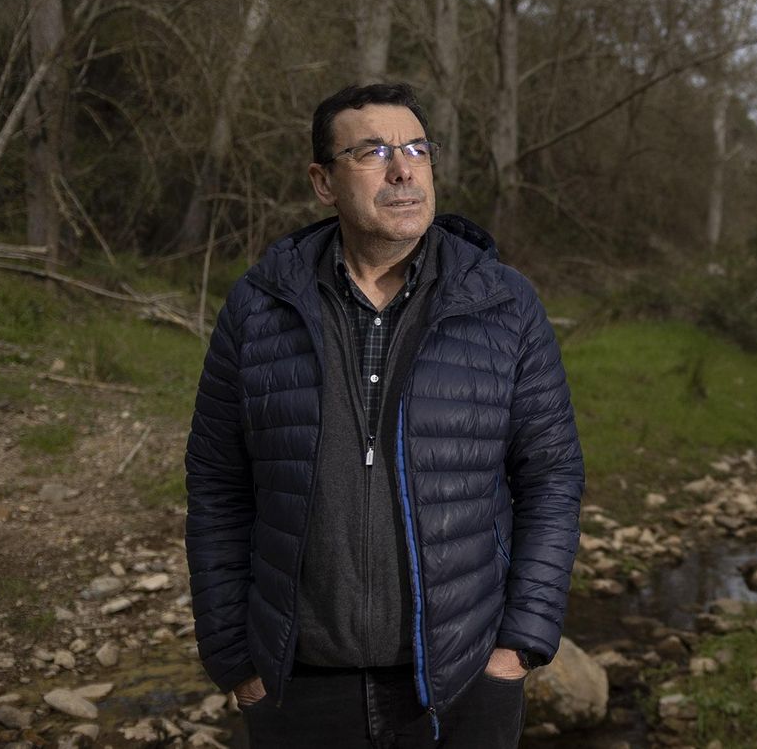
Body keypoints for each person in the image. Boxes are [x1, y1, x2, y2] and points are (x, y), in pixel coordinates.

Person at [183, 82, 584, 748]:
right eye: (372, 152)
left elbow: (552, 477)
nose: (403, 169)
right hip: (297, 685)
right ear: (323, 182)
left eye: (416, 149)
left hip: (463, 681)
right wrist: (234, 658)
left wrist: (517, 648)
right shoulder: (259, 307)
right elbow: (217, 485)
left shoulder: (503, 303)